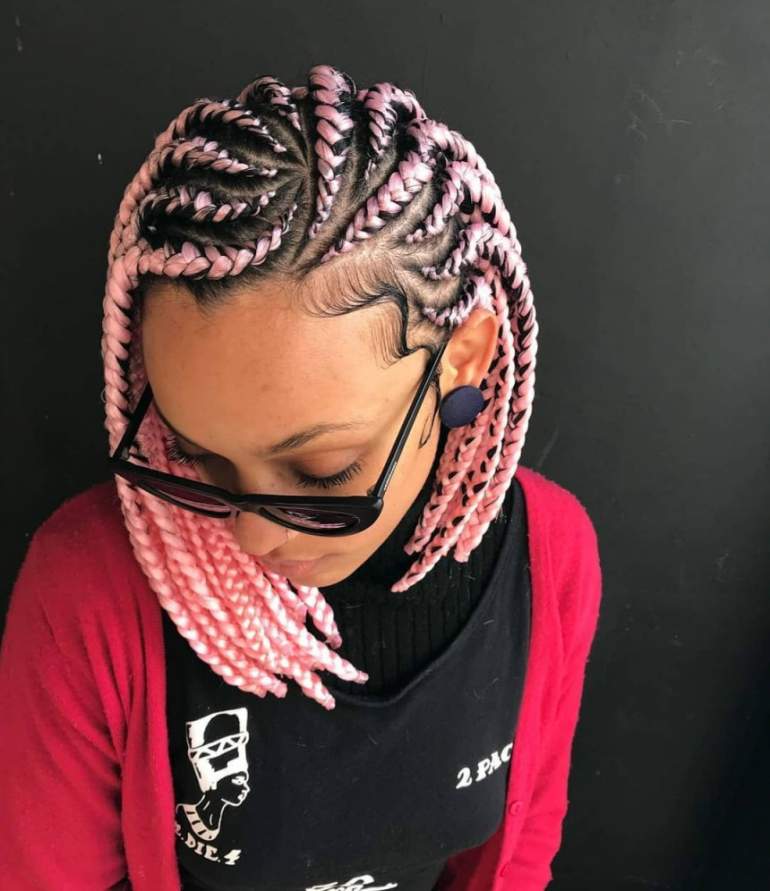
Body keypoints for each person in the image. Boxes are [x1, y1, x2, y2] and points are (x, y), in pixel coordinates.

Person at [0, 64, 603, 890]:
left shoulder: (549, 559)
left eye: (322, 469)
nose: (251, 534)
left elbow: (518, 852)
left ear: (462, 357)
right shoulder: (88, 596)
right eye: (198, 455)